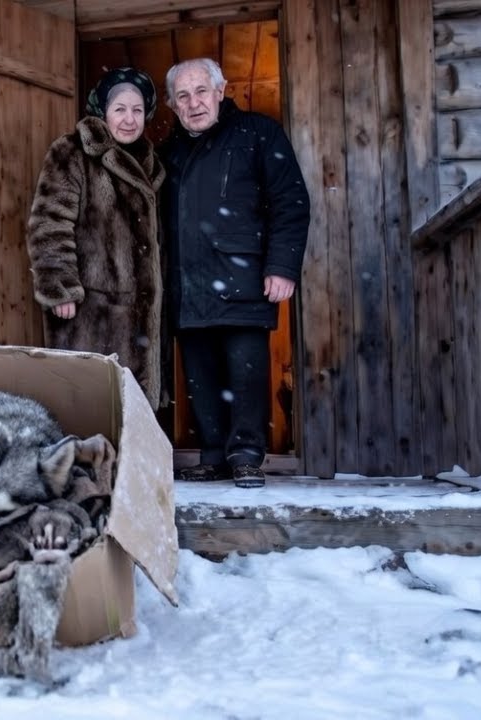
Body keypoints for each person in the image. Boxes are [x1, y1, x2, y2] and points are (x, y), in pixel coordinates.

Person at [160, 58, 310, 487]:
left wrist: (282, 266)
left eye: (201, 91)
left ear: (221, 90)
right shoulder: (167, 153)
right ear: (172, 104)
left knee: (245, 373)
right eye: (183, 96)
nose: (194, 103)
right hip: (188, 283)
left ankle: (246, 454)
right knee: (200, 376)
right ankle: (213, 454)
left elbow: (290, 202)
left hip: (242, 276)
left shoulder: (258, 134)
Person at [25, 67, 168, 410]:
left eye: (137, 110)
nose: (129, 119)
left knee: (133, 406)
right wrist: (60, 287)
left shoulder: (152, 165)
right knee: (88, 402)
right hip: (92, 307)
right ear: (102, 111)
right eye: (120, 109)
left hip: (139, 310)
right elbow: (49, 222)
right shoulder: (72, 153)